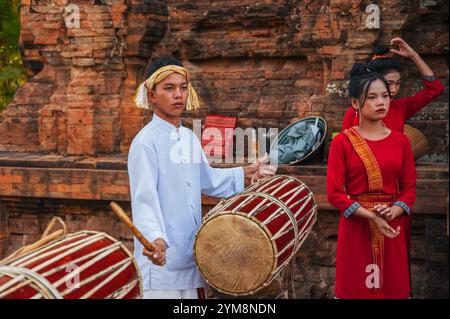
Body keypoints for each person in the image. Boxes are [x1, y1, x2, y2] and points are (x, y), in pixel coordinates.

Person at [127, 56, 277, 299]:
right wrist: (155, 238)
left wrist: (245, 172)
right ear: (151, 95)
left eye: (183, 88)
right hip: (162, 257)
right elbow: (144, 199)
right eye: (169, 88)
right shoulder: (145, 142)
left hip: (191, 252)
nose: (178, 95)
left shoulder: (188, 137)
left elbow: (208, 180)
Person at [327, 63, 416, 298]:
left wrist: (394, 211)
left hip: (390, 226)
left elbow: (409, 188)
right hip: (357, 227)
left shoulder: (400, 141)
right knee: (356, 289)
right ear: (355, 103)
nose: (381, 102)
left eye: (385, 96)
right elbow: (335, 194)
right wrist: (370, 215)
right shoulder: (343, 142)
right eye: (373, 97)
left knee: (392, 288)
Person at [341, 38, 445, 131]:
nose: (394, 89)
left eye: (398, 83)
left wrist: (414, 56)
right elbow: (345, 147)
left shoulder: (401, 107)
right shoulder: (354, 112)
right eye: (389, 83)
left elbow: (436, 89)